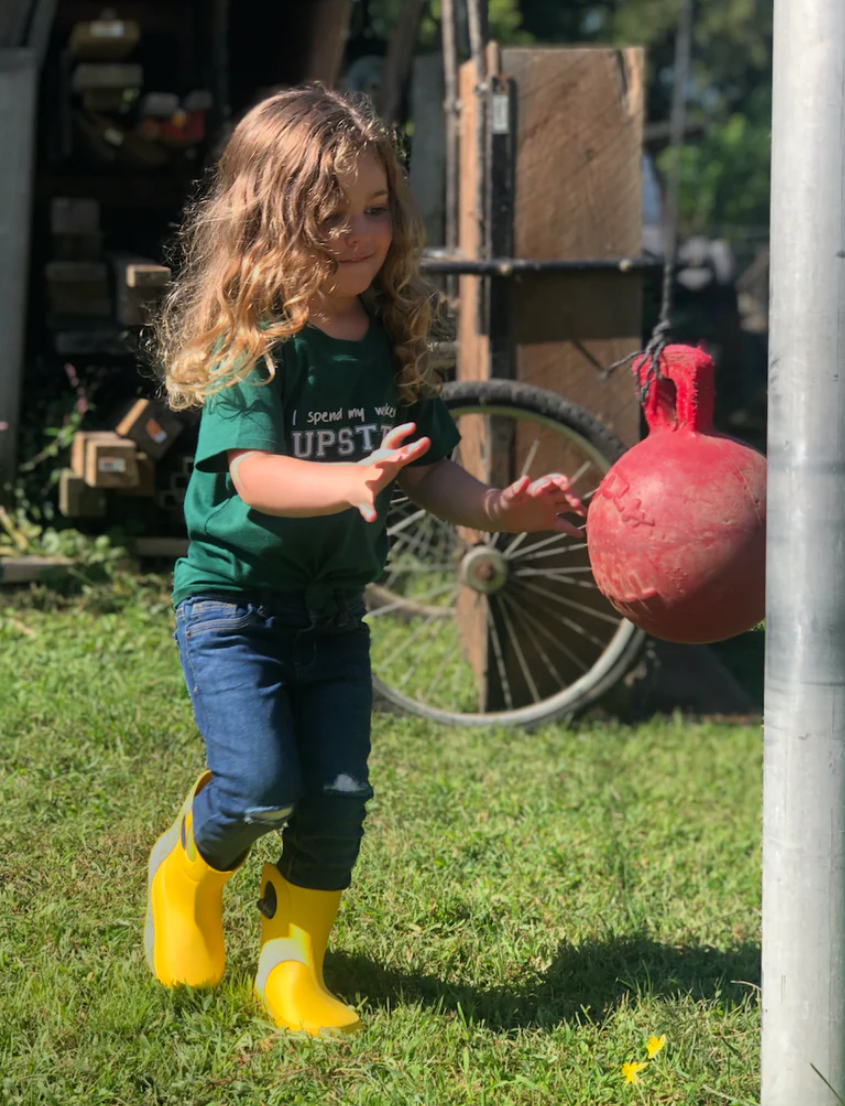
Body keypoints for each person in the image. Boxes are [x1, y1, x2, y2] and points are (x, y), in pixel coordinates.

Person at [144, 85, 585, 1037]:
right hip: (234, 609)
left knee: (337, 800)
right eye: (329, 216)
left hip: (333, 616)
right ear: (268, 222)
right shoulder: (256, 340)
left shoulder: (391, 340)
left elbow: (433, 478)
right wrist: (345, 481)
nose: (360, 234)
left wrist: (504, 508)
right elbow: (254, 475)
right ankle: (184, 870)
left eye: (376, 208)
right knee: (260, 786)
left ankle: (290, 962)